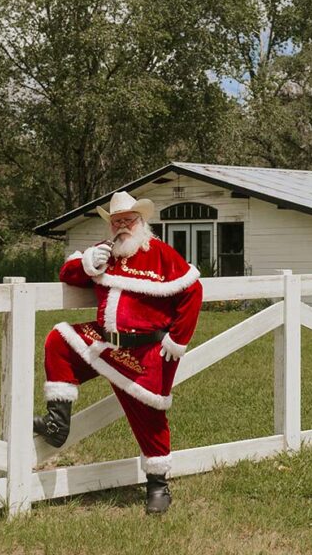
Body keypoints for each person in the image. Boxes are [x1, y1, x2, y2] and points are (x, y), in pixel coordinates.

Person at [34, 191, 203, 514]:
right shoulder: (104, 253)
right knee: (60, 340)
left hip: (146, 351)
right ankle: (58, 423)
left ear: (141, 222)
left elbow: (192, 291)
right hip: (104, 341)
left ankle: (157, 484)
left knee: (150, 420)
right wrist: (85, 265)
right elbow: (67, 274)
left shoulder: (162, 254)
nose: (122, 227)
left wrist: (177, 340)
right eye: (117, 222)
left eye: (128, 220)